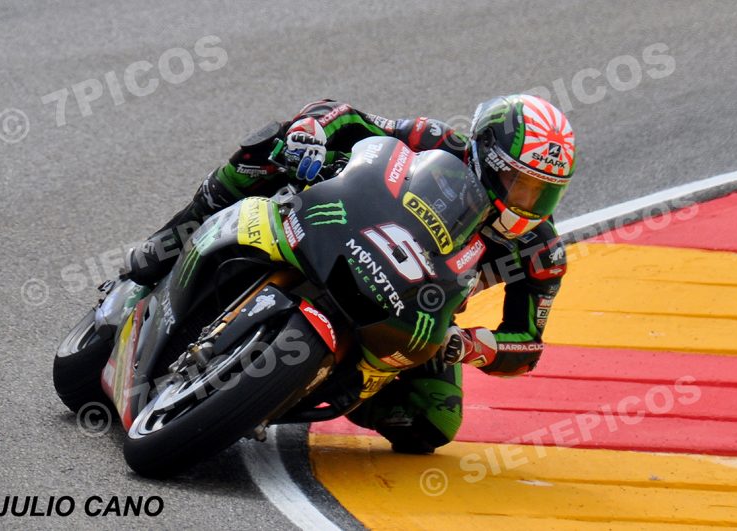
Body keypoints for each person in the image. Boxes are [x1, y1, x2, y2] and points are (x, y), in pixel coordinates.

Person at [122, 95, 575, 454]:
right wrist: (310, 132)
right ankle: (165, 246)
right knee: (270, 146)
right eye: (521, 185)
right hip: (340, 224)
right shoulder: (436, 140)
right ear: (485, 156)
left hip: (415, 308)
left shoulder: (542, 250)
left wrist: (471, 346)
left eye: (544, 194)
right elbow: (347, 116)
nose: (527, 204)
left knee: (432, 423)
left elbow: (528, 344)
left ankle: (297, 388)